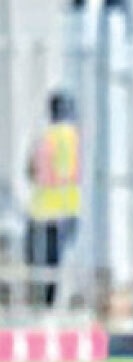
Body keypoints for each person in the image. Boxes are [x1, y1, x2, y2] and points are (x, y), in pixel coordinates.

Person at [25, 92, 81, 307]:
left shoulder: (46, 137)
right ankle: (54, 303)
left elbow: (31, 170)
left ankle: (42, 305)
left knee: (41, 266)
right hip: (67, 209)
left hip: (44, 210)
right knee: (57, 264)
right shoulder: (74, 138)